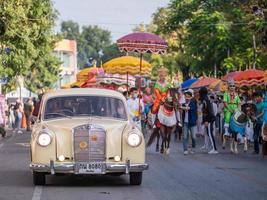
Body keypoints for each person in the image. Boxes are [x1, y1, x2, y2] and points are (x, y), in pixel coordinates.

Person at [199, 87, 218, 154]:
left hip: (209, 119)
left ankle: (214, 149)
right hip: (209, 118)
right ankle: (212, 148)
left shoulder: (206, 100)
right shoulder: (206, 99)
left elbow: (208, 111)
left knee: (210, 134)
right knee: (208, 133)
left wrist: (206, 120)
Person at [222, 80, 241, 148]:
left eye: (233, 86)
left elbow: (239, 102)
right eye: (231, 86)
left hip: (235, 108)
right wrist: (229, 109)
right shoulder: (226, 94)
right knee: (227, 117)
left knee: (239, 119)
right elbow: (225, 102)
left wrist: (238, 109)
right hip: (228, 108)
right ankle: (226, 131)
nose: (232, 87)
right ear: (228, 87)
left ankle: (239, 134)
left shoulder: (236, 94)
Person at [181, 89, 198, 155]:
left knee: (193, 137)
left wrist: (181, 107)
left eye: (188, 96)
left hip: (192, 123)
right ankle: (185, 150)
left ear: (191, 97)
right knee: (185, 136)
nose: (187, 98)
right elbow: (182, 109)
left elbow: (188, 108)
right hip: (185, 123)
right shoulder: (183, 104)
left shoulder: (193, 103)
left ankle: (192, 148)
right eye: (185, 96)